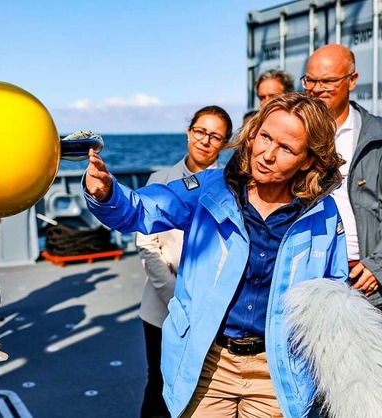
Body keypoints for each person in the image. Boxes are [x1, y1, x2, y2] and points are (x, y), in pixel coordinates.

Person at [84, 93, 347, 418]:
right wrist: (108, 193)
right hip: (209, 363)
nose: (267, 154)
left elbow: (334, 290)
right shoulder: (212, 187)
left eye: (286, 149)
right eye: (265, 137)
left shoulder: (322, 212)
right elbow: (143, 210)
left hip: (279, 370)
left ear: (308, 160)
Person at [137, 105, 232, 418]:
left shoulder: (231, 188)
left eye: (215, 136)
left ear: (225, 143)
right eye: (200, 131)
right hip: (162, 308)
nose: (205, 140)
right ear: (189, 132)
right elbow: (147, 247)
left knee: (203, 386)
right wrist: (179, 297)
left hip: (210, 312)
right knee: (159, 382)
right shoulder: (160, 180)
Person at [302, 44, 382, 307]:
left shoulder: (376, 137)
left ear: (352, 81)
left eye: (327, 81)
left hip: (365, 279)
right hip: (308, 277)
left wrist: (378, 266)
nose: (316, 88)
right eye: (310, 80)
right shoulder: (295, 133)